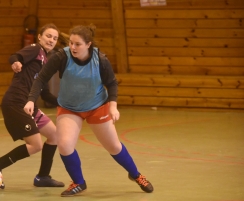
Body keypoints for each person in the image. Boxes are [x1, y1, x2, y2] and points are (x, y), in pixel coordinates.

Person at [24, 24, 154, 197]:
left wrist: (113, 106)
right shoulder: (62, 57)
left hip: (96, 107)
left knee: (114, 146)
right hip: (69, 108)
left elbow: (112, 83)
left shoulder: (100, 59)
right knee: (64, 145)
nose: (73, 47)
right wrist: (31, 100)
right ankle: (78, 182)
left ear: (88, 44)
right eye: (71, 43)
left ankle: (136, 175)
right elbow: (41, 79)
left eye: (77, 44)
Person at [0, 23, 65, 189]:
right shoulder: (35, 49)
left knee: (55, 135)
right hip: (16, 102)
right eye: (48, 36)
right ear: (40, 37)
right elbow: (15, 56)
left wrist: (66, 103)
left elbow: (46, 95)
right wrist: (16, 63)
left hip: (30, 106)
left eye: (55, 38)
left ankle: (43, 177)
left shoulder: (45, 62)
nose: (51, 40)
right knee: (36, 145)